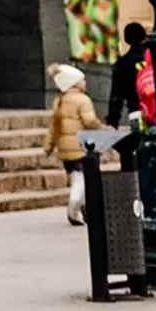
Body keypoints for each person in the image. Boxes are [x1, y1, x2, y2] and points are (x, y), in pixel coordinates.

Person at [46, 63, 110, 223]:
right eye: (82, 80)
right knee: (82, 178)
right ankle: (74, 206)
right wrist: (102, 127)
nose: (85, 83)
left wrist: (48, 146)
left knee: (77, 176)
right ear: (74, 83)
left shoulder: (59, 101)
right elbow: (89, 121)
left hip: (64, 147)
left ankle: (85, 208)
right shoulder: (83, 100)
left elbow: (53, 127)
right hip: (80, 145)